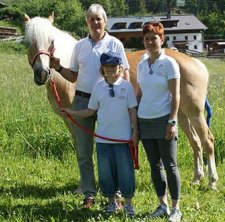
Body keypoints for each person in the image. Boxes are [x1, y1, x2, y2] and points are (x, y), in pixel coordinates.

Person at [50, 4, 130, 208]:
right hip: (83, 100)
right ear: (87, 22)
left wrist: (124, 101)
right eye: (91, 19)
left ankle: (116, 194)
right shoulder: (80, 46)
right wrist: (58, 67)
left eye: (98, 19)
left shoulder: (115, 44)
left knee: (111, 149)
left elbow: (125, 75)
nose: (95, 23)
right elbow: (74, 75)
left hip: (109, 103)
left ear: (105, 21)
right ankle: (89, 194)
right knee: (84, 152)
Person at [62, 52, 138, 217]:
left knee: (125, 173)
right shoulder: (98, 88)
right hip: (104, 140)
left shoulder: (127, 87)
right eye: (107, 66)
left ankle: (128, 204)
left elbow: (133, 111)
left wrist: (135, 132)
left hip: (123, 140)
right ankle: (111, 202)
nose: (110, 69)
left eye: (114, 66)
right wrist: (71, 112)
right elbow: (90, 111)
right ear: (102, 69)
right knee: (106, 174)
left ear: (120, 68)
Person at [136, 22, 182, 222]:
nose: (150, 42)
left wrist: (172, 120)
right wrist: (135, 121)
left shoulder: (169, 63)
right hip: (145, 120)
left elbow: (176, 95)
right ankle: (162, 204)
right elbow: (139, 94)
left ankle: (175, 208)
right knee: (155, 166)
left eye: (154, 38)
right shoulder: (141, 64)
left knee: (170, 165)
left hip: (164, 120)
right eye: (146, 38)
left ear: (161, 39)